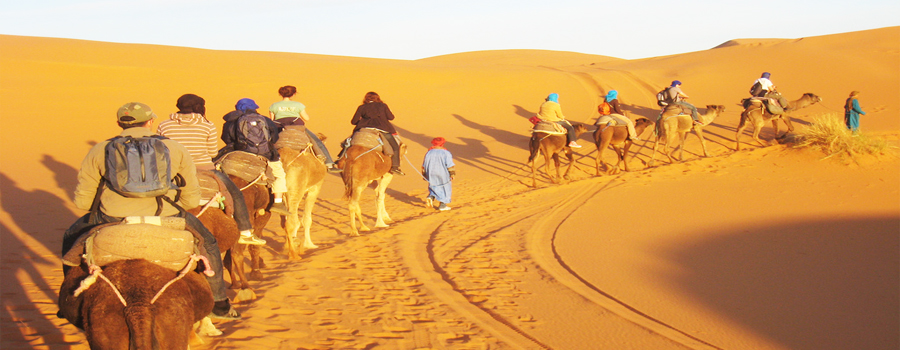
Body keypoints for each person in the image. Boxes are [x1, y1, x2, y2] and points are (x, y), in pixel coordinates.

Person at [62, 102, 241, 320]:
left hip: (112, 216)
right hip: (165, 214)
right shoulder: (174, 148)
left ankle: (69, 302)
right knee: (209, 243)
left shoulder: (100, 149)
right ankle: (219, 303)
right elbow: (191, 197)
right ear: (150, 122)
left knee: (70, 239)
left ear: (119, 123)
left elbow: (83, 202)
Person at [157, 94, 265, 245]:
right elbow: (213, 152)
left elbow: (160, 150)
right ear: (199, 107)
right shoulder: (207, 125)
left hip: (174, 172)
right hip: (205, 168)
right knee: (236, 194)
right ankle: (245, 231)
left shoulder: (164, 125)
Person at [221, 98, 291, 216]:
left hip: (239, 152)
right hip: (265, 153)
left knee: (218, 168)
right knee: (279, 174)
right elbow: (274, 138)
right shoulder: (265, 120)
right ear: (254, 108)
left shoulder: (230, 121)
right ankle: (278, 202)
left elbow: (226, 138)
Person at [268, 85, 342, 173]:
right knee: (316, 142)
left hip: (280, 128)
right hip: (297, 127)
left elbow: (272, 120)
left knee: (267, 142)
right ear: (293, 94)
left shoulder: (274, 105)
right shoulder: (298, 105)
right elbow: (306, 118)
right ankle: (329, 164)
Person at [350, 91, 405, 175]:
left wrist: (363, 121)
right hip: (382, 130)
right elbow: (391, 117)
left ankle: (340, 158)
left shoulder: (361, 107)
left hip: (364, 129)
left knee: (348, 143)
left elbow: (354, 121)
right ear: (378, 98)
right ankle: (395, 167)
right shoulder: (383, 106)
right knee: (395, 147)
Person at [422, 137, 456, 211]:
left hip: (430, 173)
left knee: (433, 185)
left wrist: (424, 174)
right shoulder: (446, 153)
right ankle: (442, 205)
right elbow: (450, 165)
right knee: (445, 187)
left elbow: (424, 165)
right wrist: (452, 174)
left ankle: (431, 197)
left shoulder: (429, 153)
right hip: (442, 173)